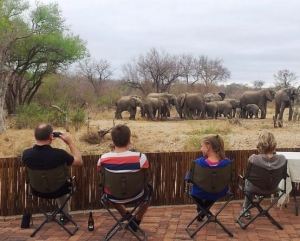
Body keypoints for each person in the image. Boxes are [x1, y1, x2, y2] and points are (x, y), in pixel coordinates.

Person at [22, 123, 83, 224]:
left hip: (37, 190)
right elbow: (79, 162)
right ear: (51, 136)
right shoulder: (60, 154)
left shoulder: (26, 154)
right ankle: (65, 214)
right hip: (59, 190)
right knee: (62, 183)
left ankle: (63, 214)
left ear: (35, 136)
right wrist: (70, 143)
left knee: (57, 183)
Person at [97, 124, 152, 232]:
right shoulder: (141, 158)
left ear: (112, 141)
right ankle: (136, 221)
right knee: (150, 189)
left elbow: (101, 175)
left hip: (112, 196)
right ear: (129, 140)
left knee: (111, 186)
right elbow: (145, 176)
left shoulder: (103, 159)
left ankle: (126, 216)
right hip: (137, 195)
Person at [240, 130, 286, 219]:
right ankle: (256, 198)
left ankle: (246, 209)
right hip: (272, 188)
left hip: (255, 188)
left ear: (260, 144)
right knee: (257, 180)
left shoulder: (253, 159)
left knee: (247, 180)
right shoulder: (282, 159)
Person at [185, 134, 231, 221]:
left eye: (201, 146)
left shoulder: (198, 163)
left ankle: (202, 209)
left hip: (200, 193)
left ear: (207, 147)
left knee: (193, 190)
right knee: (213, 189)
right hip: (220, 191)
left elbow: (188, 178)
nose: (200, 149)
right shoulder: (227, 162)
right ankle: (204, 209)